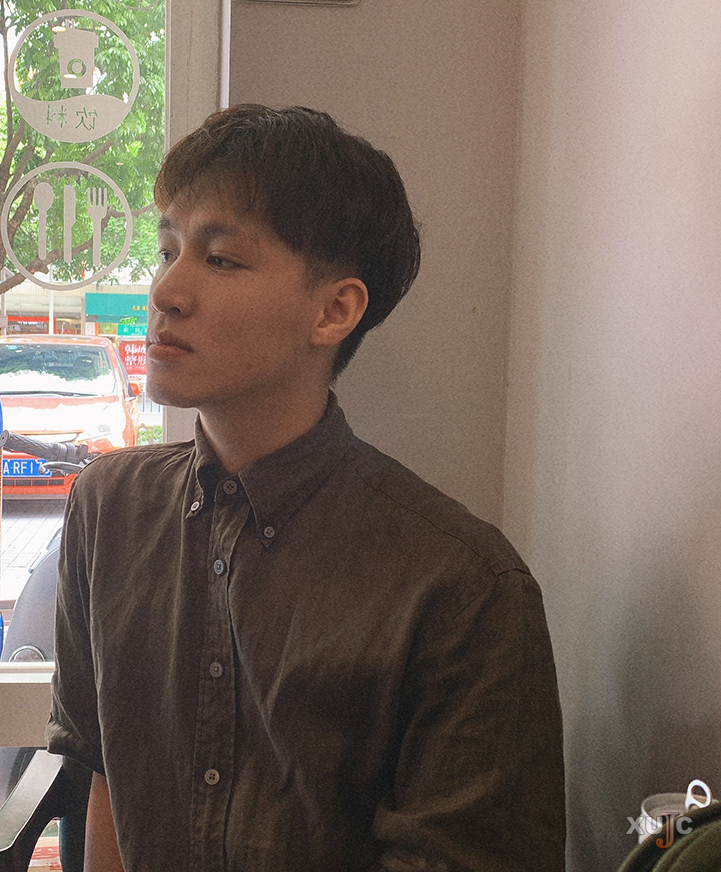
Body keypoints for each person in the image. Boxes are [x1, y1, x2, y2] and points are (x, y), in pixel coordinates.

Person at [47, 104, 565, 871]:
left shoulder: (462, 587)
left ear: (334, 310)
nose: (166, 291)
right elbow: (103, 771)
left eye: (221, 260)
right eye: (167, 250)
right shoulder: (108, 507)